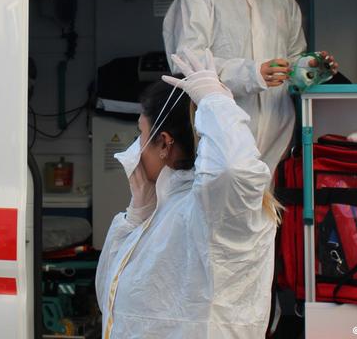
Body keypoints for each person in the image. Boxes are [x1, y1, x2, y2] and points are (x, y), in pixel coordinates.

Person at [95, 49, 278, 339]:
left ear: (164, 143)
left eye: (140, 134)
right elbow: (111, 299)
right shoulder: (167, 207)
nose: (135, 147)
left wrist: (214, 101)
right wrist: (136, 218)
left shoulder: (214, 209)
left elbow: (233, 169)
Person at [162, 0, 337, 172]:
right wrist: (251, 74)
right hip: (221, 136)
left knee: (266, 198)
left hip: (277, 134)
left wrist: (309, 68)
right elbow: (189, 63)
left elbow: (292, 59)